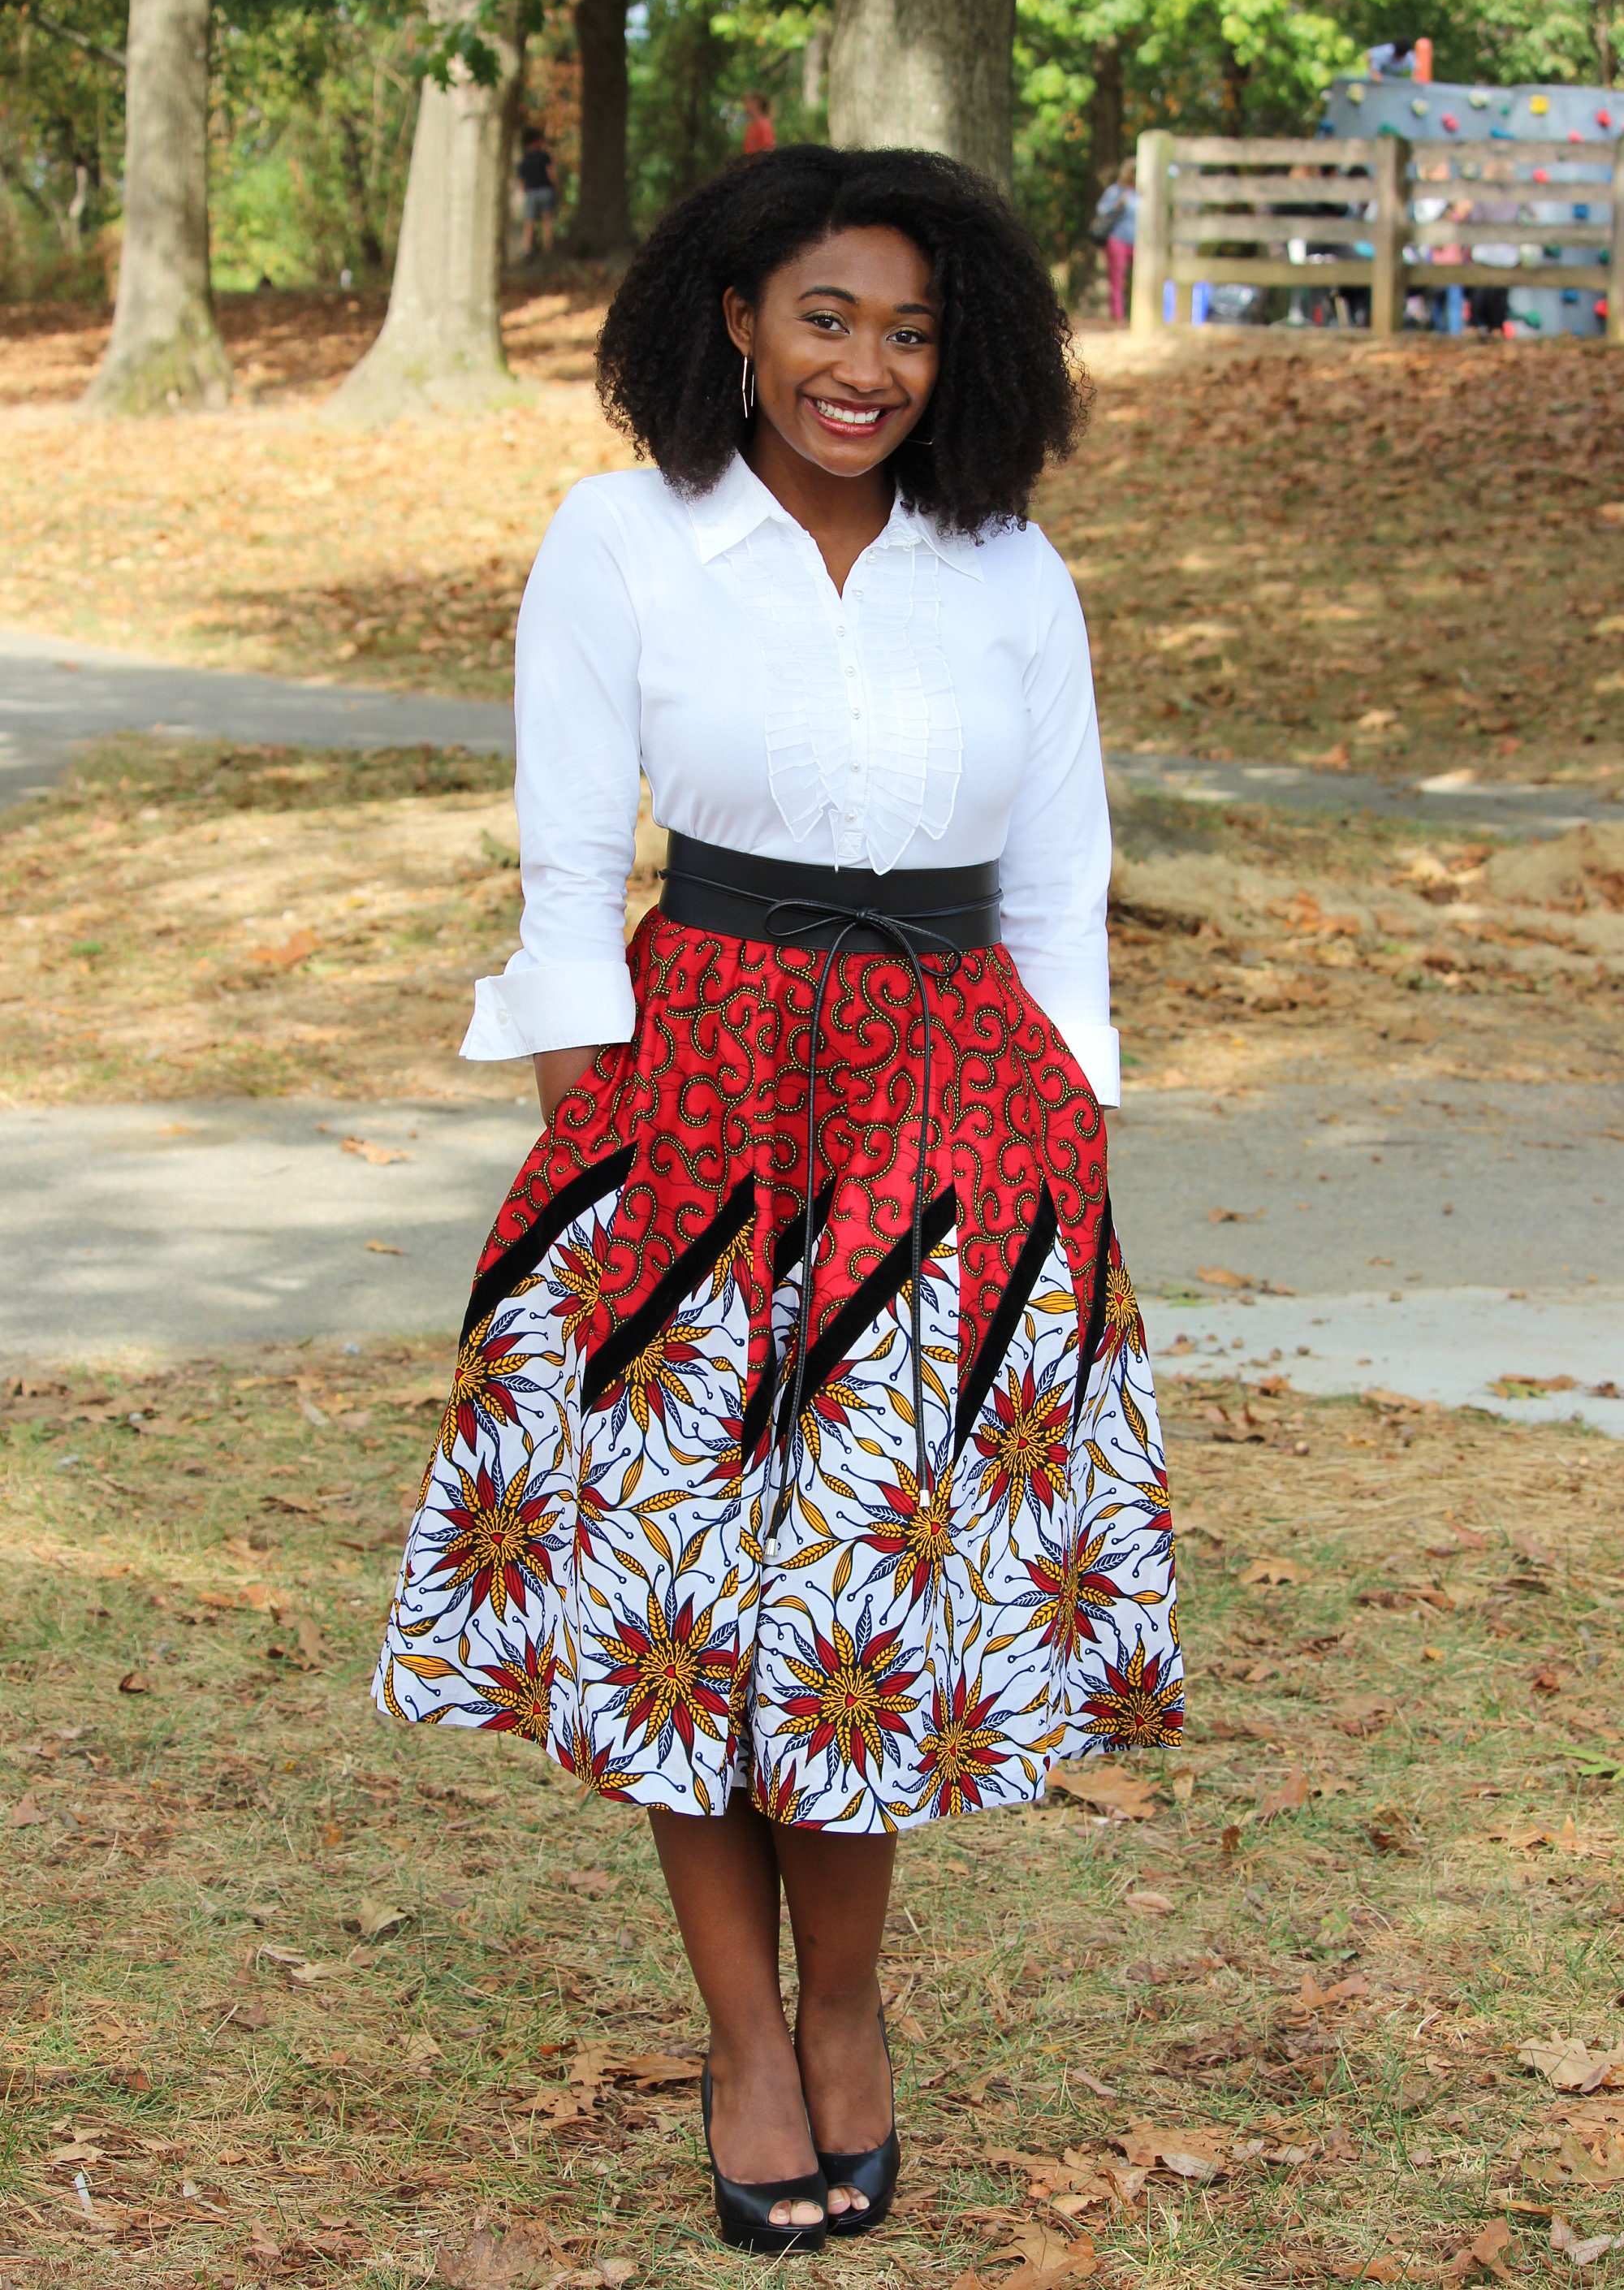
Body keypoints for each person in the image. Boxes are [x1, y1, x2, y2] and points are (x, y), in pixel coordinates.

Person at [374, 145, 1180, 2258]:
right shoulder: (622, 540)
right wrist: (605, 1161)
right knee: (676, 1602)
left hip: (954, 1117)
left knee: (849, 1607)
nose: (870, 368)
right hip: (696, 1102)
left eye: (911, 332)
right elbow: (566, 880)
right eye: (828, 318)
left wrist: (1064, 1127)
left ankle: (851, 2012)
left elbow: (1061, 886)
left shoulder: (1006, 561)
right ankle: (744, 2038)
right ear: (733, 318)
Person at [1090, 157, 1136, 322]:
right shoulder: (1116, 191)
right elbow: (1102, 210)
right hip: (1118, 240)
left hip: (1139, 243)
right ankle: (1118, 317)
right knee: (1118, 279)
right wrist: (1117, 204)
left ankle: (1138, 315)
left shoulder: (1143, 194)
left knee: (1140, 278)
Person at [517, 127, 556, 257]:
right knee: (547, 220)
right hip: (545, 190)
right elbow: (551, 173)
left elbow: (522, 181)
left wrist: (525, 193)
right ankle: (548, 248)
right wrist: (557, 186)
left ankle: (527, 249)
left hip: (531, 192)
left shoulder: (524, 161)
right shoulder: (544, 157)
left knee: (529, 222)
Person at [742, 89, 776, 155]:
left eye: (747, 102)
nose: (745, 106)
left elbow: (767, 151)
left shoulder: (764, 124)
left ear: (756, 103)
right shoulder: (751, 126)